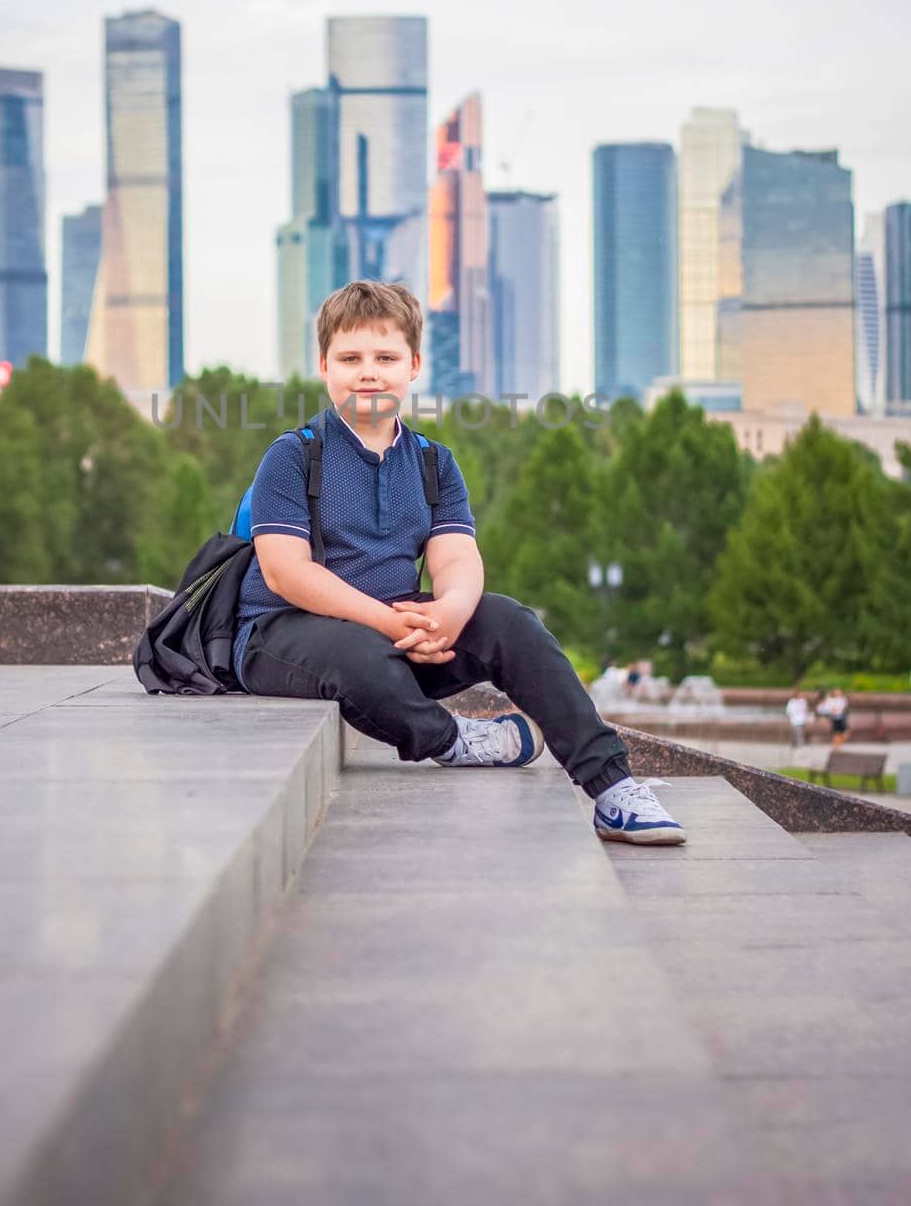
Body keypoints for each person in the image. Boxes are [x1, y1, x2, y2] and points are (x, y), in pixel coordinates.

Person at [231, 280, 686, 846]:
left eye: (385, 357)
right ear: (324, 365)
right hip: (280, 634)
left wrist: (448, 611)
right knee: (360, 652)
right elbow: (285, 571)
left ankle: (612, 788)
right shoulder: (294, 455)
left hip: (397, 634)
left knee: (510, 621)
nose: (368, 372)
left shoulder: (432, 463)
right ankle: (455, 741)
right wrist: (387, 622)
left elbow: (457, 560)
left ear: (414, 364)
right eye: (350, 358)